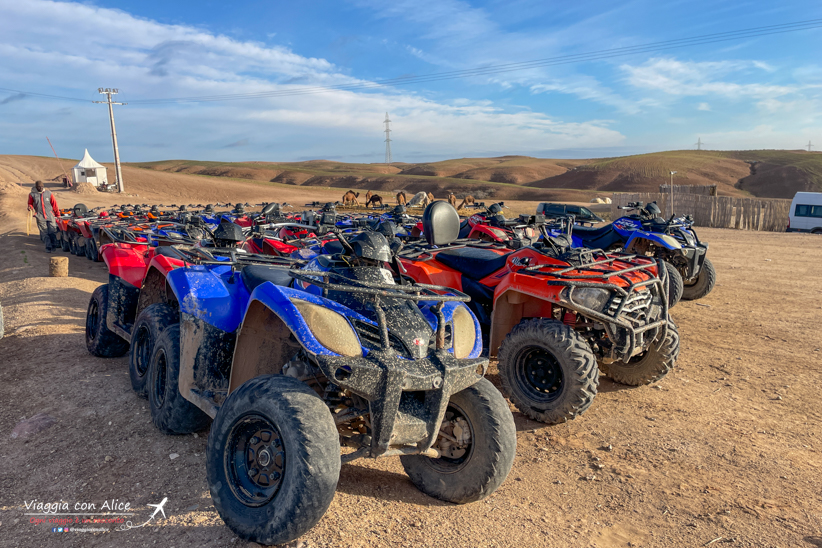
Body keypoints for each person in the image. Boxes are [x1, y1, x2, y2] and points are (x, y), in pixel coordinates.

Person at [28, 180, 60, 252]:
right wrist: (30, 207)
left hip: (50, 215)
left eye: (42, 186)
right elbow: (30, 203)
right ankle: (48, 247)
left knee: (52, 231)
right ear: (36, 187)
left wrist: (57, 214)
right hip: (40, 216)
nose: (40, 188)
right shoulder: (32, 194)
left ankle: (54, 245)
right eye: (39, 187)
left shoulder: (49, 193)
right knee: (44, 233)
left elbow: (54, 204)